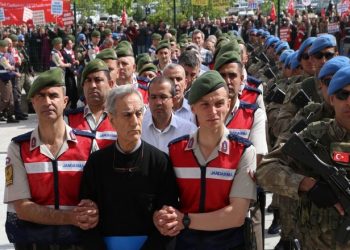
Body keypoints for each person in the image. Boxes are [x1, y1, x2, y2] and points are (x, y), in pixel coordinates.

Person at [154, 71, 257, 249]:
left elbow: (237, 215)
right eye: (205, 105)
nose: (213, 111)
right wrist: (161, 217)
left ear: (228, 104)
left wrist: (185, 220)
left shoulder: (244, 151)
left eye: (219, 104)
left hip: (230, 244)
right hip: (185, 243)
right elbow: (165, 202)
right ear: (192, 108)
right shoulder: (175, 150)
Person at [256, 65, 350, 249]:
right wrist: (306, 184)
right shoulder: (316, 136)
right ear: (331, 99)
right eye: (343, 95)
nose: (349, 102)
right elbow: (266, 169)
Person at [4, 68, 98, 249]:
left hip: (79, 243)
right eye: (40, 96)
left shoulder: (89, 144)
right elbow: (22, 208)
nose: (47, 101)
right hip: (34, 244)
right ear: (32, 102)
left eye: (53, 95)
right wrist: (71, 217)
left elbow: (98, 197)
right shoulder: (18, 148)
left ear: (65, 101)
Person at [79, 84, 179, 250]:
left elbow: (167, 222)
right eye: (127, 115)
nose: (135, 121)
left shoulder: (160, 162)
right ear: (111, 120)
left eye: (138, 114)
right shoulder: (96, 163)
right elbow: (86, 219)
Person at [65, 59, 116, 149]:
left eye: (98, 80)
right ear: (83, 86)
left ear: (110, 84)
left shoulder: (121, 116)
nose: (93, 85)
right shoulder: (69, 119)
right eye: (88, 81)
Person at [142, 76, 197, 154]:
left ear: (173, 101)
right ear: (148, 100)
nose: (158, 102)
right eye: (153, 97)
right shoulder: (139, 128)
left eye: (163, 97)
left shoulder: (189, 131)